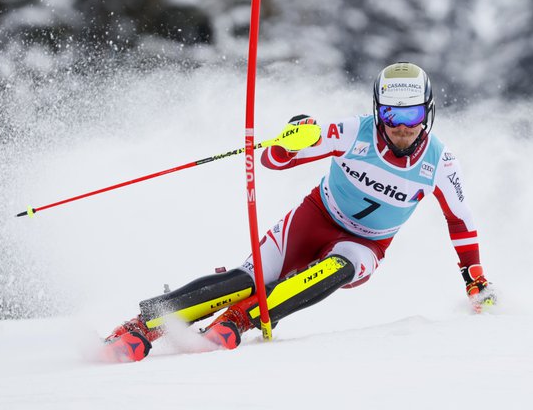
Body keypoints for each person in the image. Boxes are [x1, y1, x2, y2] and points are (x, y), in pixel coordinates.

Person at [103, 62, 496, 362]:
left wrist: (473, 277)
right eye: (392, 115)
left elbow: (460, 221)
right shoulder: (351, 132)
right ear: (378, 111)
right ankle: (143, 325)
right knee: (247, 279)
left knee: (334, 270)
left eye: (411, 116)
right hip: (314, 218)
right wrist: (292, 138)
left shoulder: (440, 162)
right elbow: (275, 160)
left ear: (427, 113)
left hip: (366, 246)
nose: (401, 128)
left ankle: (239, 319)